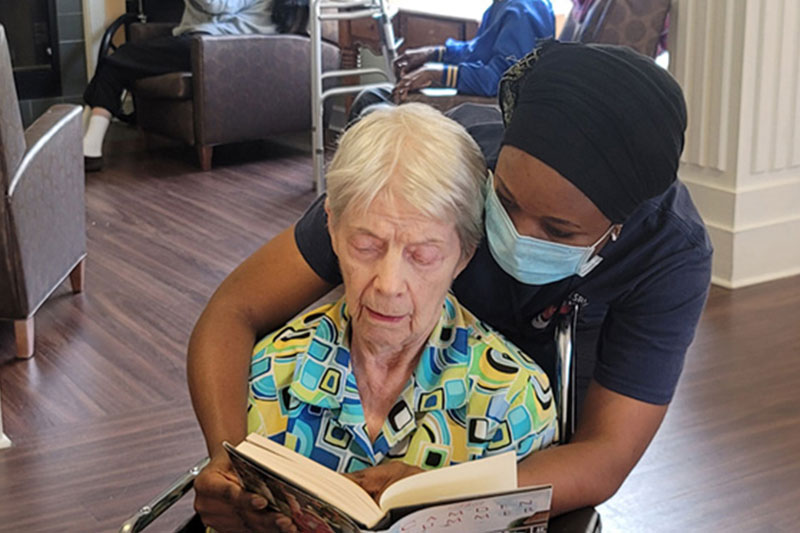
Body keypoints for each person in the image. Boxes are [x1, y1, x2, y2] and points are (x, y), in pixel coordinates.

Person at [188, 39, 712, 519]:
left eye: (557, 229)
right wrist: (230, 463)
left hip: (512, 432)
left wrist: (446, 495)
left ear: (617, 228)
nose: (515, 235)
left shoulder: (669, 252)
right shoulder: (439, 175)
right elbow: (235, 308)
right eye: (503, 202)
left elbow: (606, 455)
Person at [191, 104, 558, 532]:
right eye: (366, 246)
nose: (388, 284)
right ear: (331, 228)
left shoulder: (513, 400)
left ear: (464, 255)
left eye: (423, 256)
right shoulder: (271, 373)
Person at [82, 0, 275, 172]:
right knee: (117, 62)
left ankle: (87, 143)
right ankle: (84, 142)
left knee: (118, 60)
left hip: (220, 45)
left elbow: (216, 5)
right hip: (202, 39)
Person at [349, 0, 554, 120]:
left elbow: (501, 80)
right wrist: (433, 54)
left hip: (492, 112)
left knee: (372, 113)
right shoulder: (504, 5)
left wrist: (437, 74)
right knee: (370, 97)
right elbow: (477, 51)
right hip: (477, 99)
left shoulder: (525, 10)